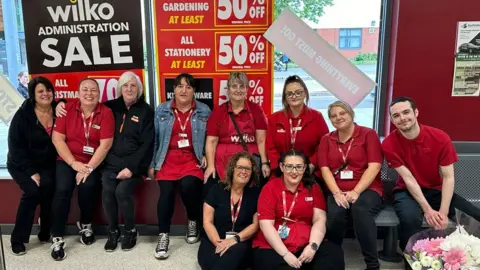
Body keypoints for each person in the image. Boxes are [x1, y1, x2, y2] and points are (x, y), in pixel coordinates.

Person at [55, 71, 154, 252]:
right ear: (119, 89)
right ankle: (113, 231)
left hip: (134, 167)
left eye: (133, 86)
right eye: (125, 85)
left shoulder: (146, 111)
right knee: (108, 189)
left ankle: (131, 230)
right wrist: (59, 104)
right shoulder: (109, 107)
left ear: (139, 89)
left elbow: (147, 145)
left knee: (122, 191)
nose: (129, 89)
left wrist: (132, 169)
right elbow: (86, 105)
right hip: (111, 164)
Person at [381, 96, 480, 254]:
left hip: (436, 189)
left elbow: (448, 177)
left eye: (406, 112)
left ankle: (467, 255)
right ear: (392, 120)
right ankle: (412, 257)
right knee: (410, 219)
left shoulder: (440, 138)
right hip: (406, 191)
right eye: (396, 115)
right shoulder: (388, 144)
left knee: (474, 213)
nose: (402, 118)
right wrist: (427, 210)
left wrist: (443, 211)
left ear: (416, 112)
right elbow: (409, 179)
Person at [50, 78, 115, 261]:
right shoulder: (66, 109)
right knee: (62, 189)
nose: (89, 93)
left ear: (99, 93)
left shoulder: (106, 113)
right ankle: (57, 236)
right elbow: (57, 139)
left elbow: (105, 144)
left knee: (88, 186)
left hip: (91, 162)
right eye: (85, 89)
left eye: (93, 90)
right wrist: (73, 163)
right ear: (78, 93)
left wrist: (87, 168)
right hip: (66, 160)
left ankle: (86, 224)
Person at [148, 73, 211, 259]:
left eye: (189, 87)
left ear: (194, 91)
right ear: (173, 89)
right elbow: (155, 140)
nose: (184, 90)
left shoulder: (204, 110)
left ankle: (193, 220)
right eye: (180, 86)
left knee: (188, 186)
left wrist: (207, 154)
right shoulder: (162, 110)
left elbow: (211, 137)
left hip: (192, 159)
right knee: (166, 192)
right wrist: (152, 164)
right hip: (167, 159)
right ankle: (163, 235)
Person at [252, 150, 345, 270]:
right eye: (289, 167)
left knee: (334, 254)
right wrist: (285, 254)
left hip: (306, 242)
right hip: (274, 246)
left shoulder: (313, 187)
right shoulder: (269, 188)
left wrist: (313, 246)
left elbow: (319, 219)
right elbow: (266, 225)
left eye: (299, 167)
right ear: (281, 167)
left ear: (305, 167)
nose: (294, 172)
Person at [318, 101, 383, 270]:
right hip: (337, 188)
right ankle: (333, 260)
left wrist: (356, 191)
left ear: (351, 114)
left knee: (360, 210)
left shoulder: (368, 134)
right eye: (333, 116)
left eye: (342, 113)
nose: (338, 118)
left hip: (367, 189)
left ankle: (372, 265)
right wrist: (337, 193)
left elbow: (375, 166)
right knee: (335, 215)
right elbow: (324, 169)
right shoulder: (326, 139)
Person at [7, 77, 59, 255]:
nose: (46, 94)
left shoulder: (58, 109)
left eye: (48, 90)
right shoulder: (23, 115)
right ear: (32, 95)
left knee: (50, 187)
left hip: (46, 163)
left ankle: (45, 231)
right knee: (32, 192)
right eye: (40, 91)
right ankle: (18, 238)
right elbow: (15, 148)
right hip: (20, 163)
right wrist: (31, 172)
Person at [204, 71, 269, 192]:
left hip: (250, 163)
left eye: (242, 86)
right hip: (222, 164)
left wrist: (265, 163)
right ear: (228, 90)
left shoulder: (256, 110)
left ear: (247, 89)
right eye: (234, 86)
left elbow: (261, 140)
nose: (238, 90)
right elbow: (211, 141)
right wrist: (210, 166)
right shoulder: (218, 112)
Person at [198, 152, 260, 270]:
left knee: (231, 258)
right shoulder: (217, 189)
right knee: (208, 262)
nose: (244, 171)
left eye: (247, 168)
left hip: (240, 240)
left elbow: (255, 225)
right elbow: (207, 221)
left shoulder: (255, 193)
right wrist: (218, 243)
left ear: (252, 173)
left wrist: (234, 239)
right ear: (232, 169)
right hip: (214, 238)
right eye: (240, 167)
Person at [266, 75, 329, 182]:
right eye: (289, 94)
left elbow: (324, 145)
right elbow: (270, 146)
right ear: (285, 97)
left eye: (298, 92)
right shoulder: (274, 118)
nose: (294, 96)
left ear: (305, 93)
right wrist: (280, 167)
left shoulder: (316, 117)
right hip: (281, 172)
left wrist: (312, 164)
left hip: (309, 172)